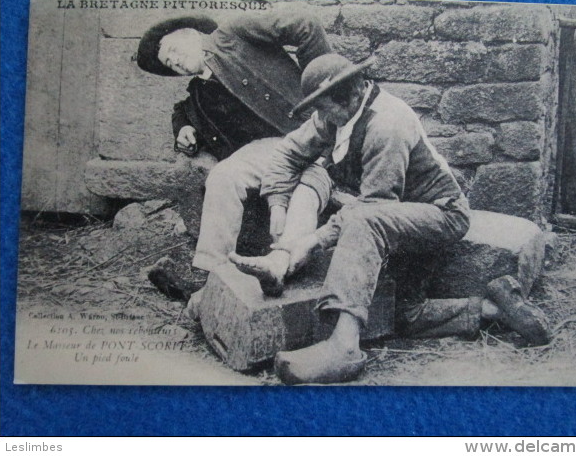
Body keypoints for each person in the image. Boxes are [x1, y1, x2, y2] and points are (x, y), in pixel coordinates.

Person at [229, 54, 551, 384]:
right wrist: (278, 205)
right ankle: (494, 308)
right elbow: (288, 153)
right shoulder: (336, 116)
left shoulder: (387, 124)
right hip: (399, 216)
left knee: (360, 220)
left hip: (439, 215)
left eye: (323, 107)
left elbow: (373, 209)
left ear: (349, 95)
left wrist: (314, 240)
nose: (319, 117)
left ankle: (343, 347)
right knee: (402, 315)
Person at [136, 11, 334, 296]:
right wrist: (182, 129)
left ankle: (275, 267)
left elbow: (306, 22)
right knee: (223, 176)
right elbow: (182, 110)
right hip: (272, 151)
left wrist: (324, 92)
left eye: (173, 51)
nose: (175, 62)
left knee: (307, 188)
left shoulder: (233, 34)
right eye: (170, 64)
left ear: (192, 34)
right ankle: (212, 276)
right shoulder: (199, 93)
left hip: (311, 133)